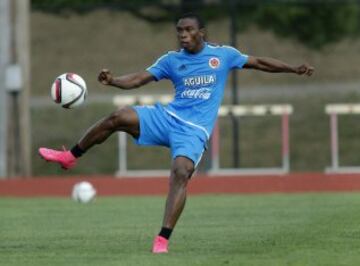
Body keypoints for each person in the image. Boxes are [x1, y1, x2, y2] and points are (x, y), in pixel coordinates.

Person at [39, 13, 314, 253]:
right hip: (168, 118)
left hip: (193, 131)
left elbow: (260, 63)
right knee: (118, 116)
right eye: (179, 31)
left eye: (188, 30)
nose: (183, 35)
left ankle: (162, 238)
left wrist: (293, 68)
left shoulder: (223, 55)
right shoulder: (172, 60)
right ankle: (70, 157)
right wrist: (113, 81)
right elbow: (138, 79)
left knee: (180, 172)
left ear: (201, 33)